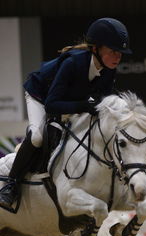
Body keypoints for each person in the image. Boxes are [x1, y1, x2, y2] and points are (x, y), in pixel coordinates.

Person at [0, 17, 131, 210]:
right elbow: (52, 105)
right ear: (96, 48)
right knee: (37, 136)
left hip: (69, 99)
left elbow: (104, 100)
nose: (118, 56)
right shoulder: (73, 63)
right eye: (113, 51)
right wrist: (85, 106)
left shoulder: (109, 69)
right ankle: (10, 185)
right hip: (40, 96)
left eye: (120, 52)